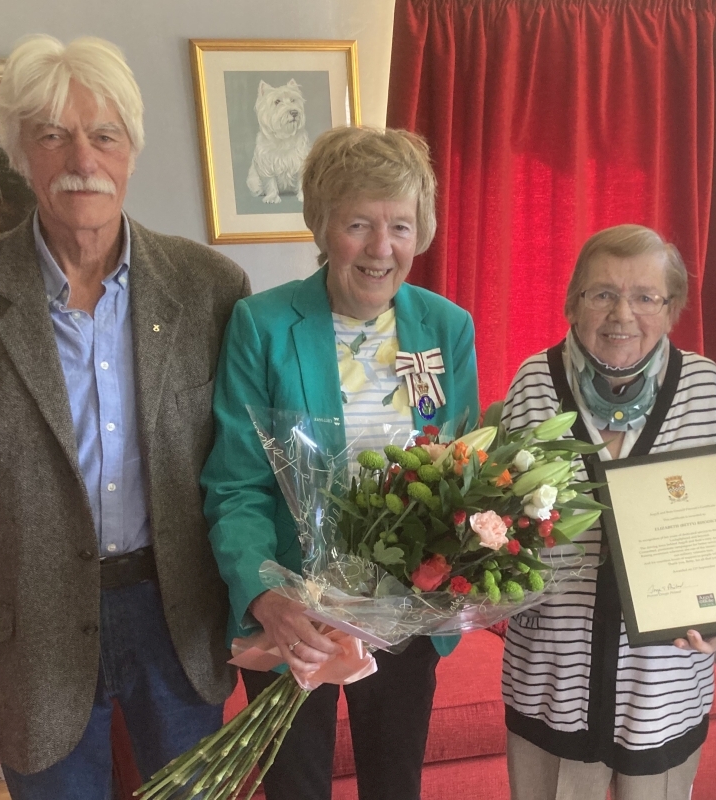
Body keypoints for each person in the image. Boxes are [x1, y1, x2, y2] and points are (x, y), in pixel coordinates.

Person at [0, 35, 249, 797]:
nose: (81, 158)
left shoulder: (212, 289)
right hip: (24, 638)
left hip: (179, 622)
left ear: (130, 150)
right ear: (20, 152)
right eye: (52, 135)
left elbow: (243, 471)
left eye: (104, 135)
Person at [201, 125, 480, 800]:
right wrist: (267, 599)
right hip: (298, 619)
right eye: (359, 224)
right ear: (321, 226)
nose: (382, 249)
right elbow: (235, 484)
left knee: (395, 786)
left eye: (402, 227)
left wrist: (446, 587)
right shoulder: (262, 325)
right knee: (295, 788)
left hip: (406, 615)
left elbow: (465, 471)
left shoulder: (446, 328)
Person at [498, 224, 716, 800]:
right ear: (573, 303)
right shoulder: (535, 381)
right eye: (602, 293)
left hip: (663, 688)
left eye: (645, 297)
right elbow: (497, 522)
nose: (622, 314)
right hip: (550, 682)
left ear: (671, 309)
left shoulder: (704, 385)